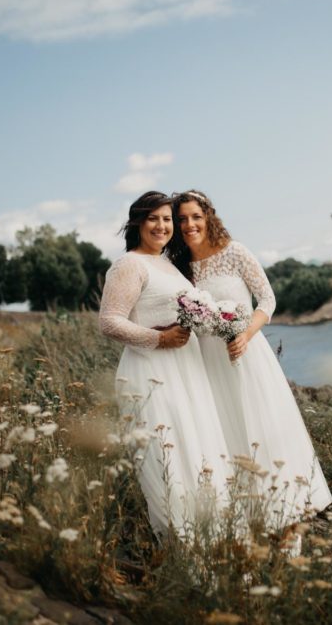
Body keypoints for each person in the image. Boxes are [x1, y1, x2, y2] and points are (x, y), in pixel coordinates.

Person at [170, 189, 332, 535]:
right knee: (225, 433)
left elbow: (268, 299)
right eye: (181, 219)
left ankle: (289, 511)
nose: (188, 224)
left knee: (264, 427)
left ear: (208, 216)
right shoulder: (179, 268)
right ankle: (251, 515)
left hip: (246, 353)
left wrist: (246, 334)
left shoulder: (234, 252)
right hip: (206, 362)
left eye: (195, 216)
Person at [98, 191, 231, 539]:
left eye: (167, 219)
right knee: (172, 456)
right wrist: (158, 339)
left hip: (187, 369)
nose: (162, 225)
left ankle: (211, 533)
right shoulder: (130, 264)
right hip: (153, 372)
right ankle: (182, 543)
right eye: (153, 218)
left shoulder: (168, 263)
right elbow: (109, 321)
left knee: (197, 447)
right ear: (138, 222)